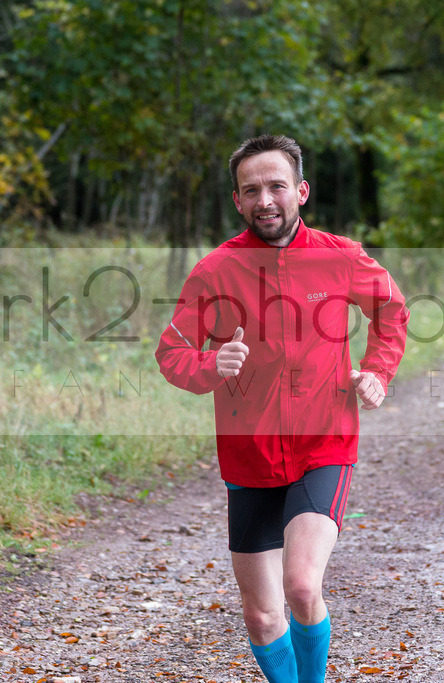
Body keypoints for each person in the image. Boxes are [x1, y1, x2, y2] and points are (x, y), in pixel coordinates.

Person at [155, 135, 409, 683]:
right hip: (249, 456)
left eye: (276, 186)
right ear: (237, 201)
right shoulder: (215, 272)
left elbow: (391, 309)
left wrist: (378, 371)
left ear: (302, 190)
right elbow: (171, 352)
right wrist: (211, 365)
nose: (265, 200)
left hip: (325, 442)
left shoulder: (340, 256)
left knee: (300, 586)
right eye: (252, 190)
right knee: (263, 614)